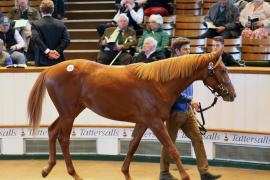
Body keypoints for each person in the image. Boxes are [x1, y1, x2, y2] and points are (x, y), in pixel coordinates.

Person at [159, 37, 222, 180]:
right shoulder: (171, 67)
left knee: (197, 138)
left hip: (187, 110)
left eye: (189, 48)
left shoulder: (188, 64)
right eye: (185, 49)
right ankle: (163, 173)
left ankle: (204, 172)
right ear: (177, 51)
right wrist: (190, 100)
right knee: (169, 143)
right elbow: (172, 91)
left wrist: (190, 101)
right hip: (174, 111)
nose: (188, 51)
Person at [31, 0, 70, 66]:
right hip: (58, 59)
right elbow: (67, 40)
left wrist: (48, 52)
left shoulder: (35, 24)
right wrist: (56, 51)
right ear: (53, 10)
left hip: (41, 60)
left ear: (40, 9)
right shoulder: (60, 23)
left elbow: (36, 39)